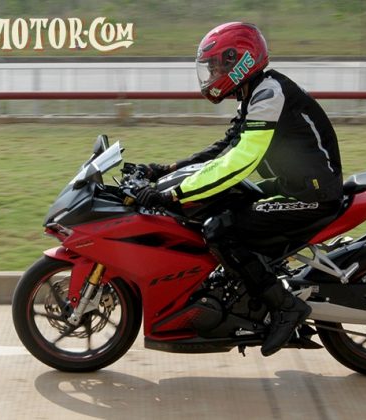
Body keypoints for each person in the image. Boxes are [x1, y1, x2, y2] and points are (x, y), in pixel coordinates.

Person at [136, 22, 343, 356]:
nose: (212, 74)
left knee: (220, 231)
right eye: (210, 68)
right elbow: (227, 145)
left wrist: (174, 195)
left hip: (311, 196)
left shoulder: (270, 94)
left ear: (239, 61)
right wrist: (167, 169)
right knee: (225, 205)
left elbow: (240, 160)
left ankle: (286, 307)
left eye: (217, 66)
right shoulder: (256, 93)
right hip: (295, 185)